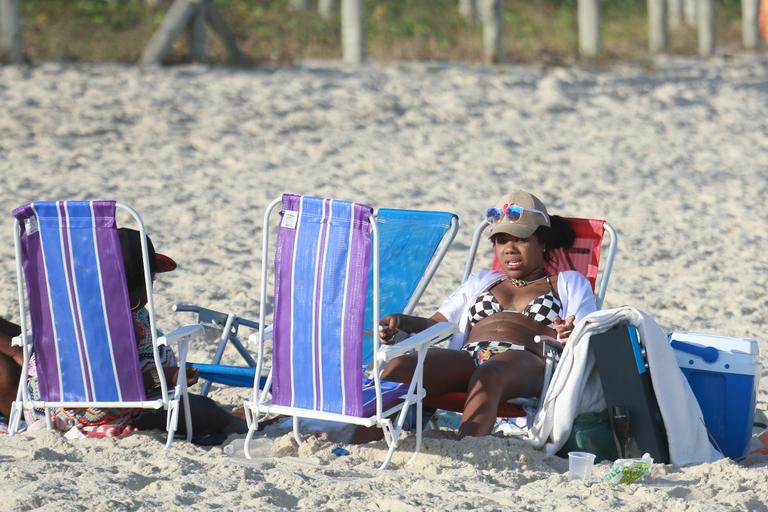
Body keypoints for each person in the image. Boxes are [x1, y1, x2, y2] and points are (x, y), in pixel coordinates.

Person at [372, 190, 597, 439]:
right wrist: (402, 322)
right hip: (471, 356)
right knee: (402, 366)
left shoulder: (567, 283)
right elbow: (436, 325)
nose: (509, 249)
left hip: (529, 362)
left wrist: (569, 333)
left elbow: (588, 331)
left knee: (490, 372)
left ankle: (467, 446)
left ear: (543, 242)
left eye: (520, 239)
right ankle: (359, 439)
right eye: (501, 240)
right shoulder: (483, 280)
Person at [0, 228, 245, 442]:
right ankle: (238, 424)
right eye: (153, 279)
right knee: (202, 410)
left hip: (47, 406)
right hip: (107, 412)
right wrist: (165, 377)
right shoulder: (125, 324)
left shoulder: (74, 308)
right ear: (140, 284)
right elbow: (113, 389)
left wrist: (19, 352)